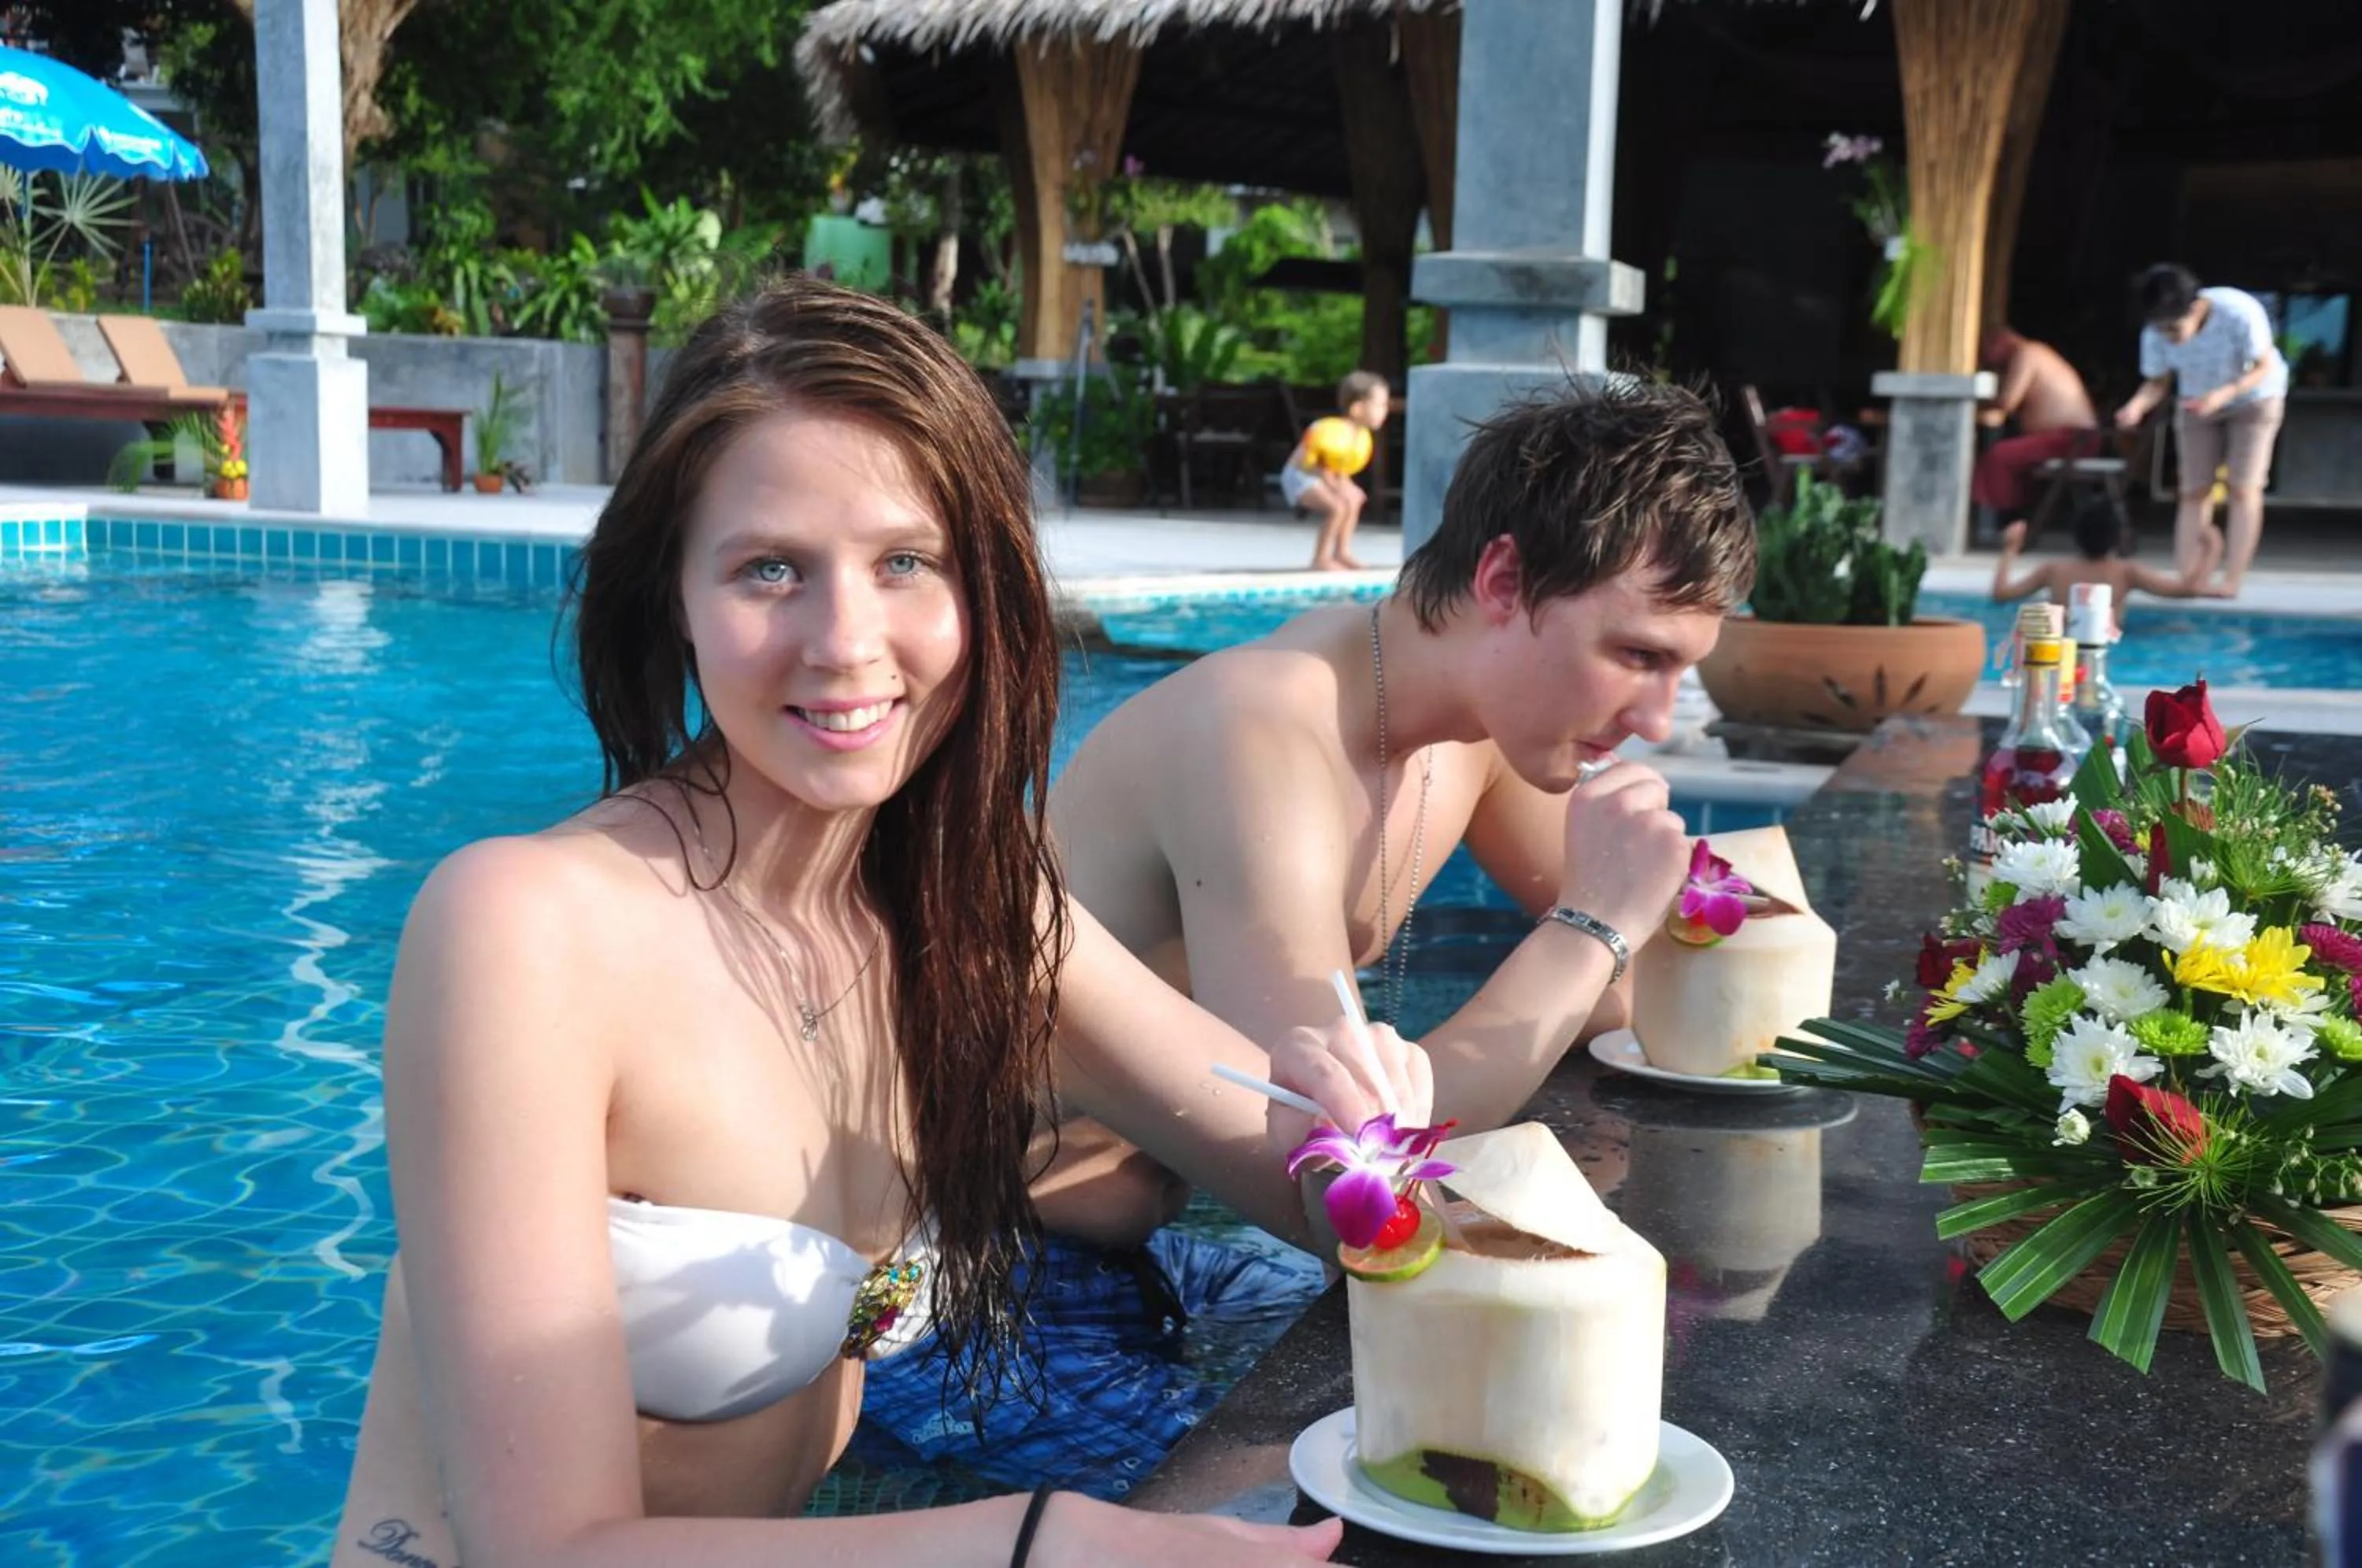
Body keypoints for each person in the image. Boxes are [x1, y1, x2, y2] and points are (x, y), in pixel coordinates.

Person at [328, 277, 1428, 1568]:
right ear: (673, 594)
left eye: (906, 562)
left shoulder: (968, 907)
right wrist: (1046, 1542)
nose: (847, 643)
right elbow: (546, 1549)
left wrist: (1375, 1145)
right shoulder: (530, 932)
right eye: (770, 570)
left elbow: (1295, 1171)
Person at [1042, 379, 1757, 1230]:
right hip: (988, 1277)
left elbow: (1635, 988)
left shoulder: (1476, 733)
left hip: (1145, 1255)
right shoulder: (1261, 735)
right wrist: (1588, 929)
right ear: (1503, 581)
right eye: (1637, 654)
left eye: (1681, 671)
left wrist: (1607, 935)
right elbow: (1338, 1193)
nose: (1657, 719)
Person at [2112, 264, 2289, 597]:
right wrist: (2136, 407)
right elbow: (2157, 382)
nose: (2168, 337)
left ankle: (2232, 579)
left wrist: (2223, 395)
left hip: (2255, 397)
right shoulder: (2154, 329)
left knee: (2243, 487)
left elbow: (2263, 366)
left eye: (2174, 329)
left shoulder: (2238, 311)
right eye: (2160, 329)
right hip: (2196, 402)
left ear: (2195, 308)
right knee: (2193, 490)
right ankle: (2190, 578)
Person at [1989, 510, 2216, 637]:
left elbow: (2001, 594)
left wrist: (2010, 548)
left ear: (2075, 535)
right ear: (2117, 538)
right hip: (2109, 643)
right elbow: (2189, 590)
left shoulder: (2053, 570)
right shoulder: (2126, 572)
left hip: (2061, 643)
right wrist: (2211, 549)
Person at [1971, 325, 2104, 532]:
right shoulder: (2034, 353)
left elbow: (2007, 402)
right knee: (2011, 452)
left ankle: (2010, 523)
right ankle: (2020, 518)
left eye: (1984, 352)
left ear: (1999, 342)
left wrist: (1977, 407)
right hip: (2065, 439)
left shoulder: (2027, 354)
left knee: (2000, 455)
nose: (1986, 361)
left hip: (2072, 440)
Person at [1280, 371, 1390, 571]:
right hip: (1300, 475)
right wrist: (1336, 488)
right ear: (1357, 408)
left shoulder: (1361, 435)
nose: (1385, 411)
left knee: (1354, 499)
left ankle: (1342, 552)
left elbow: (1340, 468)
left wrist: (1347, 487)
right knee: (1337, 507)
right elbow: (1315, 463)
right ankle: (1320, 558)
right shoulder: (1330, 431)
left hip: (1324, 475)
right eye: (1379, 405)